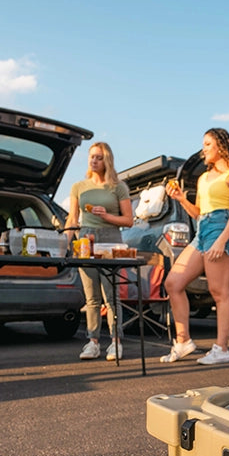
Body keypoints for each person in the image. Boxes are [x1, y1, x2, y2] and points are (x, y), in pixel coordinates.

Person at [160, 128, 229, 365]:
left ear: (221, 146)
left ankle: (221, 349)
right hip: (202, 231)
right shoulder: (202, 178)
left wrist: (221, 240)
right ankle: (183, 341)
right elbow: (198, 212)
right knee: (173, 283)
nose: (204, 150)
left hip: (223, 228)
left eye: (208, 144)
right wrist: (181, 199)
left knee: (220, 293)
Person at [65, 142, 133, 360]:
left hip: (110, 239)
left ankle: (115, 341)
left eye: (99, 157)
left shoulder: (118, 187)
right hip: (85, 239)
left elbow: (129, 220)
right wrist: (66, 243)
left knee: (111, 295)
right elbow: (73, 218)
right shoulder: (79, 187)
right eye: (91, 157)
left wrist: (107, 216)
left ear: (107, 160)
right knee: (91, 296)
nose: (94, 160)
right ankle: (93, 342)